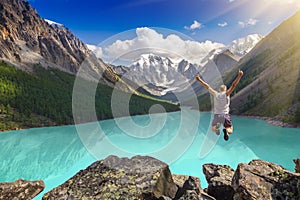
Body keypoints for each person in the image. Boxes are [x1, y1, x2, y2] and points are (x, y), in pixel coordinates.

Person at [195, 69, 244, 141]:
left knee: (213, 129)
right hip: (225, 115)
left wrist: (199, 80)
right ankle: (226, 131)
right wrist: (239, 76)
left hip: (217, 115)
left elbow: (207, 86)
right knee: (230, 130)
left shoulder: (216, 94)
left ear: (219, 90)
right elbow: (233, 85)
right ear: (225, 90)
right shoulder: (226, 94)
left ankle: (217, 128)